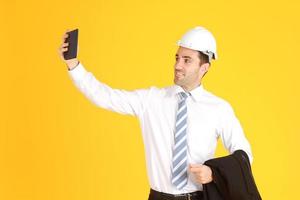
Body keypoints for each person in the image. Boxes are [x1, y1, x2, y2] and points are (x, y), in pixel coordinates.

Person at [58, 26, 253, 200]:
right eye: (177, 58)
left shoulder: (219, 108)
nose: (178, 65)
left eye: (187, 60)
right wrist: (74, 65)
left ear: (204, 67)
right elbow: (104, 96)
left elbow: (244, 154)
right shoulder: (151, 100)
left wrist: (214, 173)